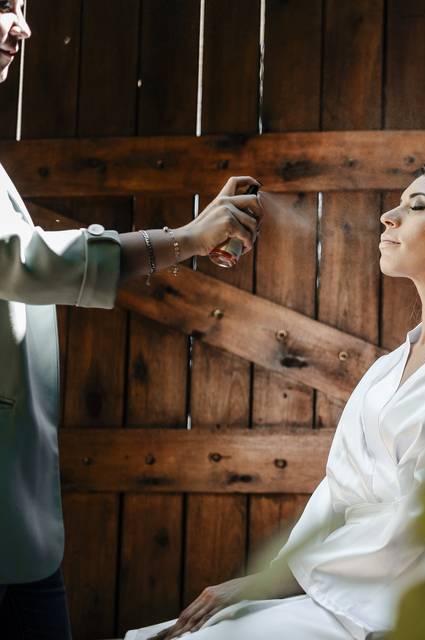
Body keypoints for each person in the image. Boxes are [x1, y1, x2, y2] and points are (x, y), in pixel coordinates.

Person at [126, 163, 425, 640]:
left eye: (416, 206)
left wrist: (284, 578)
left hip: (417, 596)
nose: (389, 216)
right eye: (398, 203)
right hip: (346, 582)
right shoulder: (388, 367)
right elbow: (335, 493)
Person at [0, 3, 266, 636]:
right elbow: (21, 262)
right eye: (2, 6)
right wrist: (188, 238)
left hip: (21, 527)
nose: (22, 27)